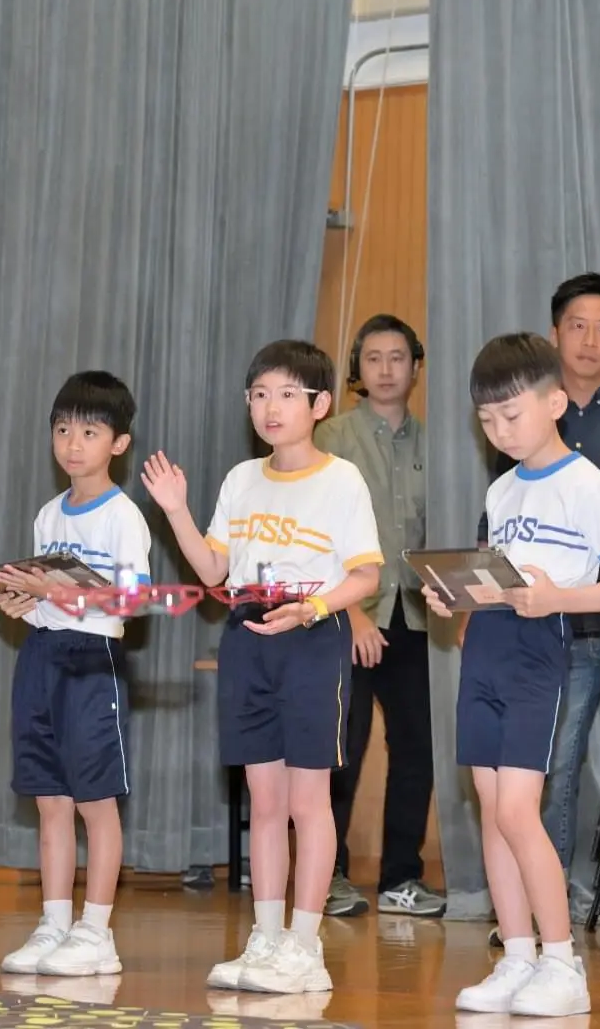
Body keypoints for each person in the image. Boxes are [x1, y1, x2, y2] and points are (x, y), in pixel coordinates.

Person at [141, 340, 383, 995]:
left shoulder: (342, 480)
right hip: (248, 636)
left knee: (308, 800)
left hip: (311, 637)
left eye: (286, 395)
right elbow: (213, 571)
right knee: (266, 799)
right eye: (259, 395)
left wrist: (314, 608)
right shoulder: (241, 479)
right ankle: (267, 937)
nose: (270, 407)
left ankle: (305, 946)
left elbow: (366, 574)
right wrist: (175, 510)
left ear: (320, 404)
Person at [431, 332, 600, 1018]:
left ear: (555, 403)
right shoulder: (500, 488)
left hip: (538, 651)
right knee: (493, 810)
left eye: (511, 414)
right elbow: (496, 580)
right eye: (486, 419)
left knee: (519, 811)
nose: (500, 430)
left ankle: (562, 961)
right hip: (486, 647)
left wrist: (558, 599)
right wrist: (454, 594)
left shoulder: (586, 484)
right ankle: (518, 955)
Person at [477, 273, 600, 952]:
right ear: (555, 333)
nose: (590, 339)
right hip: (542, 629)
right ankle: (544, 899)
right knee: (547, 769)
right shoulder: (516, 425)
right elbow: (500, 540)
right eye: (577, 325)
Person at [0, 371, 152, 978]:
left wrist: (58, 593)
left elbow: (132, 601)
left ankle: (96, 931)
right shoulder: (48, 514)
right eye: (63, 430)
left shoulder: (122, 516)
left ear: (119, 443)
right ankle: (55, 923)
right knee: (50, 800)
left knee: (95, 801)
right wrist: (24, 602)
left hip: (91, 660)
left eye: (89, 432)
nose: (72, 443)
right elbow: (45, 598)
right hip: (41, 654)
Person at [315, 314, 444, 919]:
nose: (387, 369)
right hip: (346, 618)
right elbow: (316, 537)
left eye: (398, 358)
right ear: (357, 370)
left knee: (417, 750)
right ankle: (330, 875)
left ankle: (400, 877)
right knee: (341, 748)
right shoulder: (332, 437)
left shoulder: (437, 444)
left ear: (416, 367)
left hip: (415, 619)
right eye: (374, 358)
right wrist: (353, 613)